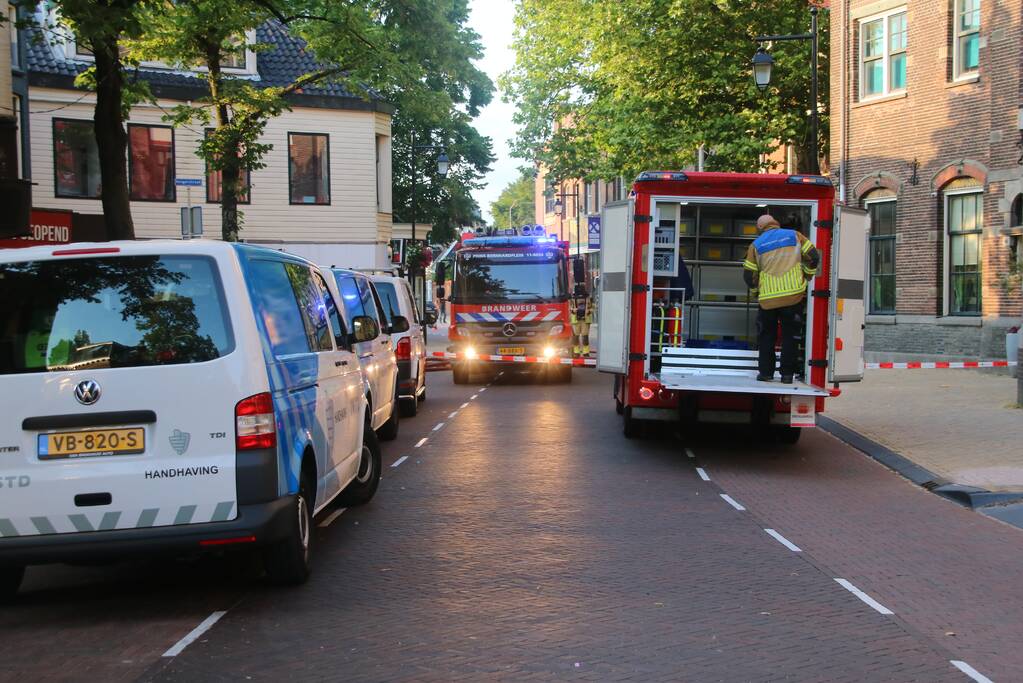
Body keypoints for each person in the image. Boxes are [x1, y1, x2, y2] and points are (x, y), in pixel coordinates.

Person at [742, 214, 819, 384]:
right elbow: (814, 257)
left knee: (766, 337)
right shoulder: (795, 236)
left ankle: (766, 374)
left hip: (768, 300)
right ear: (776, 223)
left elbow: (748, 275)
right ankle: (786, 376)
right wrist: (806, 275)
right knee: (790, 337)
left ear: (760, 228)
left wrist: (756, 292)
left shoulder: (756, 245)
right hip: (793, 296)